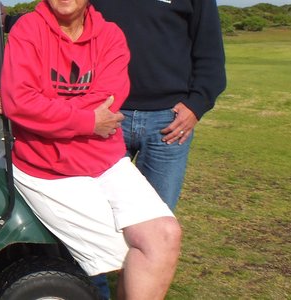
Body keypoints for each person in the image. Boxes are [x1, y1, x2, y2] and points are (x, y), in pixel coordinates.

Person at [0, 0, 182, 299]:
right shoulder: (28, 31)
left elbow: (109, 99)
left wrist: (45, 108)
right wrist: (87, 120)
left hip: (106, 160)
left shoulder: (110, 35)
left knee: (163, 236)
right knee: (130, 251)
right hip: (46, 168)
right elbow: (19, 102)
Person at [90, 0, 227, 211]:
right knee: (100, 216)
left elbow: (210, 49)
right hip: (108, 116)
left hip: (168, 122)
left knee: (156, 219)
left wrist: (197, 105)